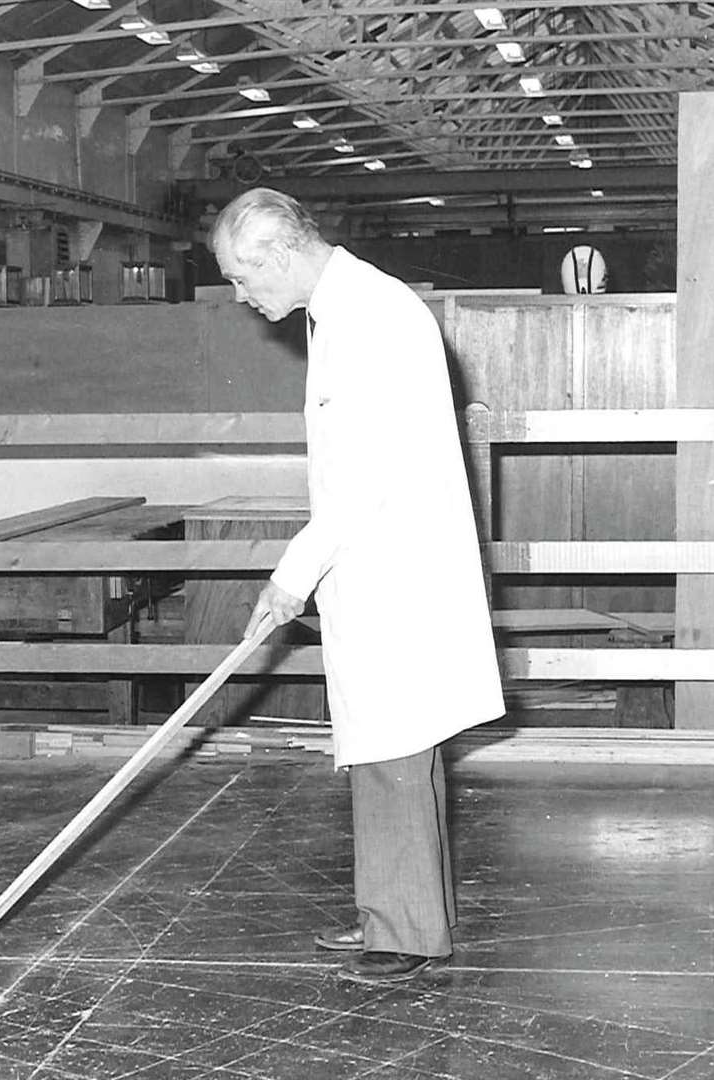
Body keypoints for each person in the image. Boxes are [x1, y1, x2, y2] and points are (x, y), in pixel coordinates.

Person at [215, 187, 503, 985]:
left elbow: (363, 477)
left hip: (393, 571)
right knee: (386, 748)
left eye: (242, 277)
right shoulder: (344, 310)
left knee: (393, 750)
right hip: (376, 562)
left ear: (277, 250)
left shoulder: (370, 315)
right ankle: (392, 910)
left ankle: (404, 932)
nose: (242, 296)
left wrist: (290, 576)